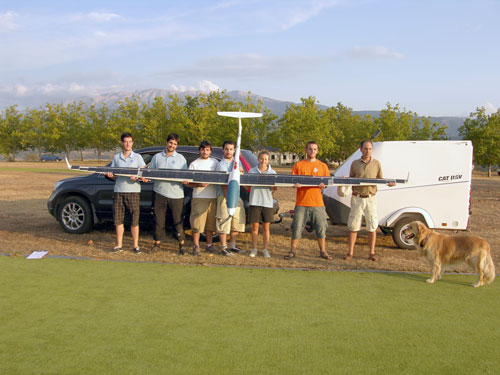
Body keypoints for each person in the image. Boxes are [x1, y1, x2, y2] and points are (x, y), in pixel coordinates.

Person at [343, 140, 395, 261]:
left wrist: (389, 184)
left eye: (370, 149)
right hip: (357, 198)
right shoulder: (354, 163)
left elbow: (380, 179)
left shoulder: (376, 163)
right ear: (361, 149)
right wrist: (345, 180)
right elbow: (351, 179)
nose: (368, 151)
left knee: (372, 226)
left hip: (371, 199)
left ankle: (371, 253)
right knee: (353, 226)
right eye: (365, 148)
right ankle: (350, 253)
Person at [284, 141, 332, 261]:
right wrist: (295, 185)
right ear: (306, 150)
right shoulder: (298, 165)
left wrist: (323, 186)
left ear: (317, 151)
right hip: (302, 203)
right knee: (297, 227)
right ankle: (292, 251)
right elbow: (292, 182)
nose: (312, 151)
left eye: (315, 149)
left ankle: (323, 251)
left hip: (318, 204)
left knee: (321, 227)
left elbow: (327, 183)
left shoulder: (322, 166)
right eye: (310, 149)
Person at [106, 132, 147, 254]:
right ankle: (119, 245)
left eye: (130, 141)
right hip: (119, 191)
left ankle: (135, 246)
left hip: (133, 192)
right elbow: (114, 175)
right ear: (122, 143)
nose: (128, 144)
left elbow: (144, 173)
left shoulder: (138, 157)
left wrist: (137, 177)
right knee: (118, 219)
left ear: (132, 143)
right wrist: (110, 176)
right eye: (125, 141)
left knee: (134, 220)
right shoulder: (116, 157)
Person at [149, 133, 188, 255]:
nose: (172, 145)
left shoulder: (181, 159)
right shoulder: (157, 157)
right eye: (170, 143)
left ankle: (181, 246)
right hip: (159, 192)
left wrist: (185, 180)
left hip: (176, 195)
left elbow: (185, 176)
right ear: (167, 143)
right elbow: (150, 173)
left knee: (177, 221)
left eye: (175, 144)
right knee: (158, 220)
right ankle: (157, 244)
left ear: (177, 145)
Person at [215, 140, 246, 257]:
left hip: (236, 195)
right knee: (224, 221)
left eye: (231, 149)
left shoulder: (236, 162)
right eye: (226, 149)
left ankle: (232, 244)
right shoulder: (221, 164)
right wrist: (228, 199)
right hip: (225, 197)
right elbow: (224, 184)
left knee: (236, 221)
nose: (229, 151)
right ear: (223, 150)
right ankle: (223, 246)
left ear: (234, 150)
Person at [188, 140, 218, 256]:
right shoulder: (194, 164)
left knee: (210, 225)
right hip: (199, 197)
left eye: (207, 150)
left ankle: (209, 245)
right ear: (199, 150)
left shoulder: (215, 163)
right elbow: (187, 182)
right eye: (203, 149)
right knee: (197, 224)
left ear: (210, 151)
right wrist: (199, 184)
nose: (205, 152)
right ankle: (196, 246)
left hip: (213, 197)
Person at [247, 150, 276, 258]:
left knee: (266, 228)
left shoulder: (272, 173)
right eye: (261, 159)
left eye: (266, 159)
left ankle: (265, 249)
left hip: (267, 203)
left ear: (268, 161)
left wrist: (269, 184)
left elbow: (275, 188)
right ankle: (254, 249)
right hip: (255, 201)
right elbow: (247, 186)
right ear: (258, 159)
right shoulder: (252, 171)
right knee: (255, 227)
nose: (263, 161)